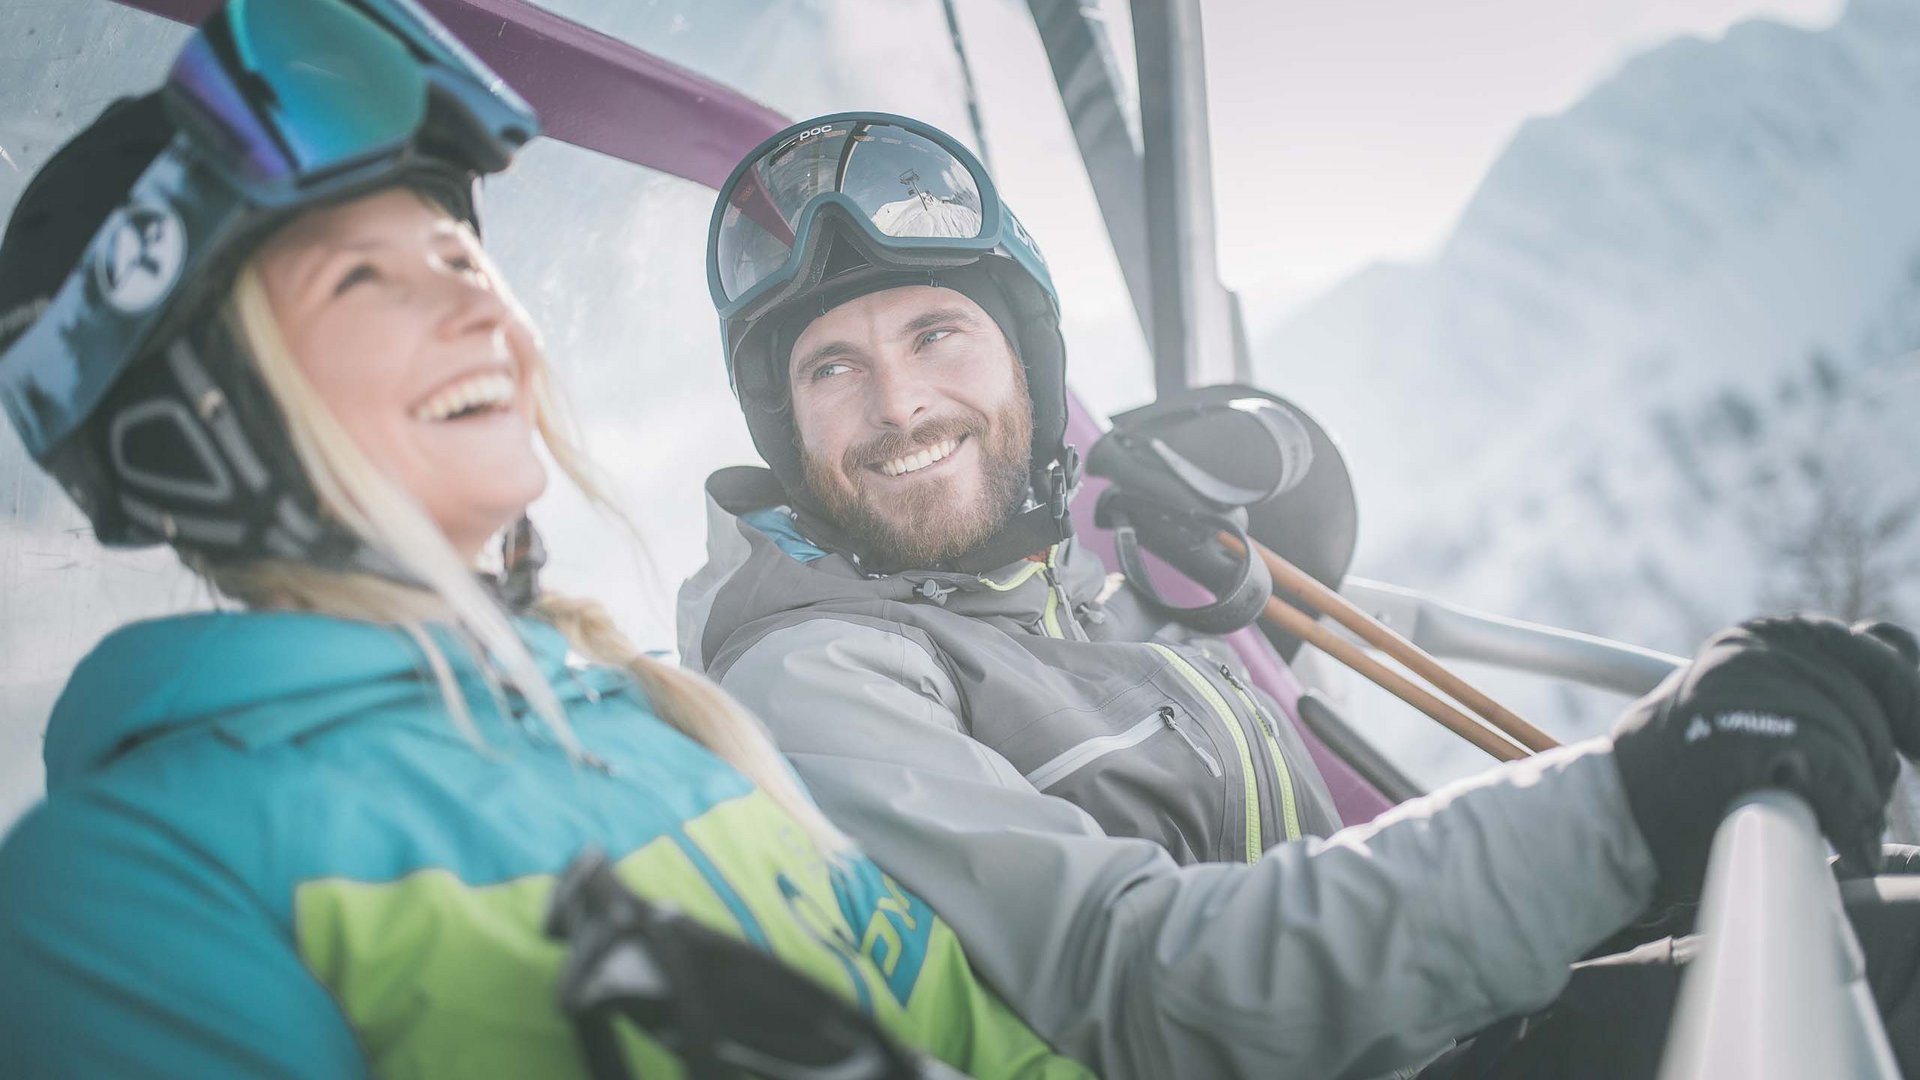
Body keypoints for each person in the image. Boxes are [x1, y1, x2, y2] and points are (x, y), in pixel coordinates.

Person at [683, 112, 1920, 1077]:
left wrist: (1643, 873)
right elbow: (1147, 988)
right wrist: (1624, 808)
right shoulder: (818, 675)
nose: (899, 405)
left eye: (935, 335)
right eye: (832, 367)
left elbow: (1308, 874)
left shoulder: (1062, 601)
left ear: (1027, 363)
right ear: (785, 429)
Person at [0, 8, 1091, 1078]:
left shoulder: (663, 724)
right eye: (361, 280)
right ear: (189, 437)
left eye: (461, 261)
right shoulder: (133, 882)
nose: (483, 315)